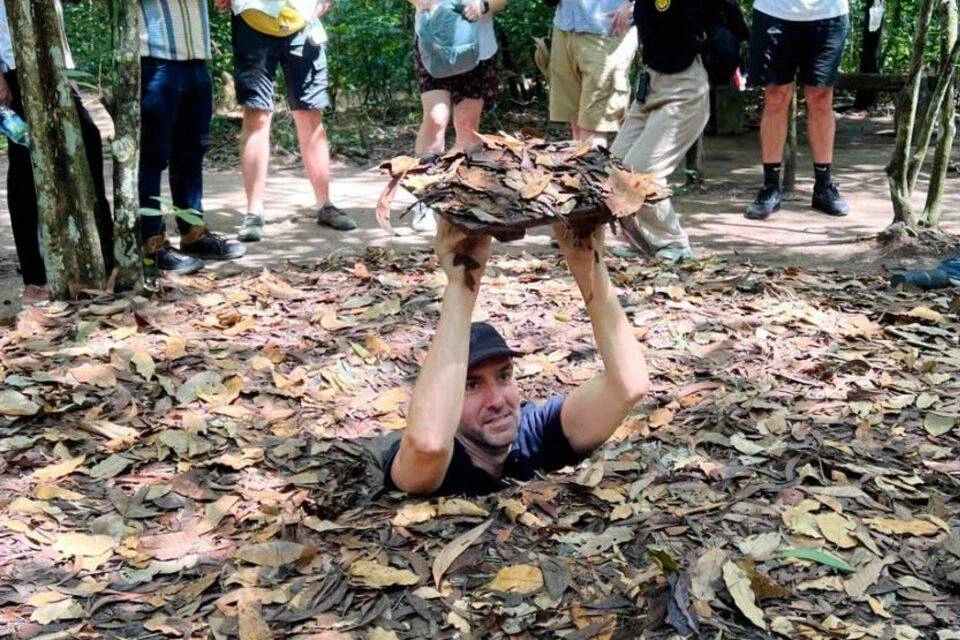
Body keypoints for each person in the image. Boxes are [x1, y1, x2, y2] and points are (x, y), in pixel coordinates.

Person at [382, 220, 649, 496]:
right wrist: (462, 281)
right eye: (471, 385)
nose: (497, 400)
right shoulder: (425, 462)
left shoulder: (531, 434)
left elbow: (628, 385)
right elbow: (429, 445)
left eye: (503, 376)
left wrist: (587, 261)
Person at [214, 0, 357, 241]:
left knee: (310, 114)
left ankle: (325, 205)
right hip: (252, 18)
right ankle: (254, 212)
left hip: (304, 20)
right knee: (257, 114)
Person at [0, 0, 114, 295]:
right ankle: (34, 278)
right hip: (14, 64)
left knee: (87, 141)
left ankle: (107, 257)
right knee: (26, 163)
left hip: (57, 61)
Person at [609, 0, 732, 263]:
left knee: (639, 174)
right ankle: (640, 240)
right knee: (612, 166)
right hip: (650, 84)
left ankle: (674, 244)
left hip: (685, 88)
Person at [139, 0, 246, 275]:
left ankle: (193, 235)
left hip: (197, 57)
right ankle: (151, 244)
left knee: (190, 152)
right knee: (152, 156)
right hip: (155, 57)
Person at [406, 0, 507, 233]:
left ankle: (466, 199)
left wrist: (483, 5)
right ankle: (426, 198)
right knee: (436, 117)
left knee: (467, 126)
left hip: (478, 49)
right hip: (433, 46)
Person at [745, 0, 850, 220]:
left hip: (828, 13)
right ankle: (770, 188)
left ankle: (823, 187)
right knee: (775, 96)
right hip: (774, 11)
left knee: (821, 97)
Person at [546, 0, 637, 148]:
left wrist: (634, 5)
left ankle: (592, 167)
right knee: (576, 119)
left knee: (594, 127)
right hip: (565, 25)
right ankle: (580, 169)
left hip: (607, 30)